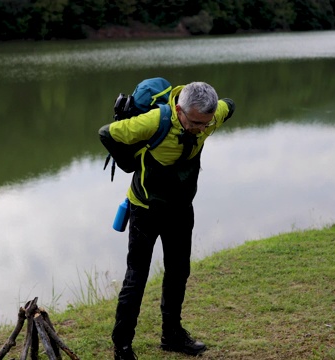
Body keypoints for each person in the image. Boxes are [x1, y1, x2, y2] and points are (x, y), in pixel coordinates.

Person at [99, 81, 235, 359]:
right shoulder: (153, 122)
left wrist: (211, 119)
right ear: (179, 110)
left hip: (181, 210)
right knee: (136, 278)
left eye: (206, 125)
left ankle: (171, 335)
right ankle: (122, 346)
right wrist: (131, 165)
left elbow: (230, 105)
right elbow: (107, 133)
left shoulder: (211, 117)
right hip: (145, 210)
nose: (201, 129)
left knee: (178, 272)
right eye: (196, 122)